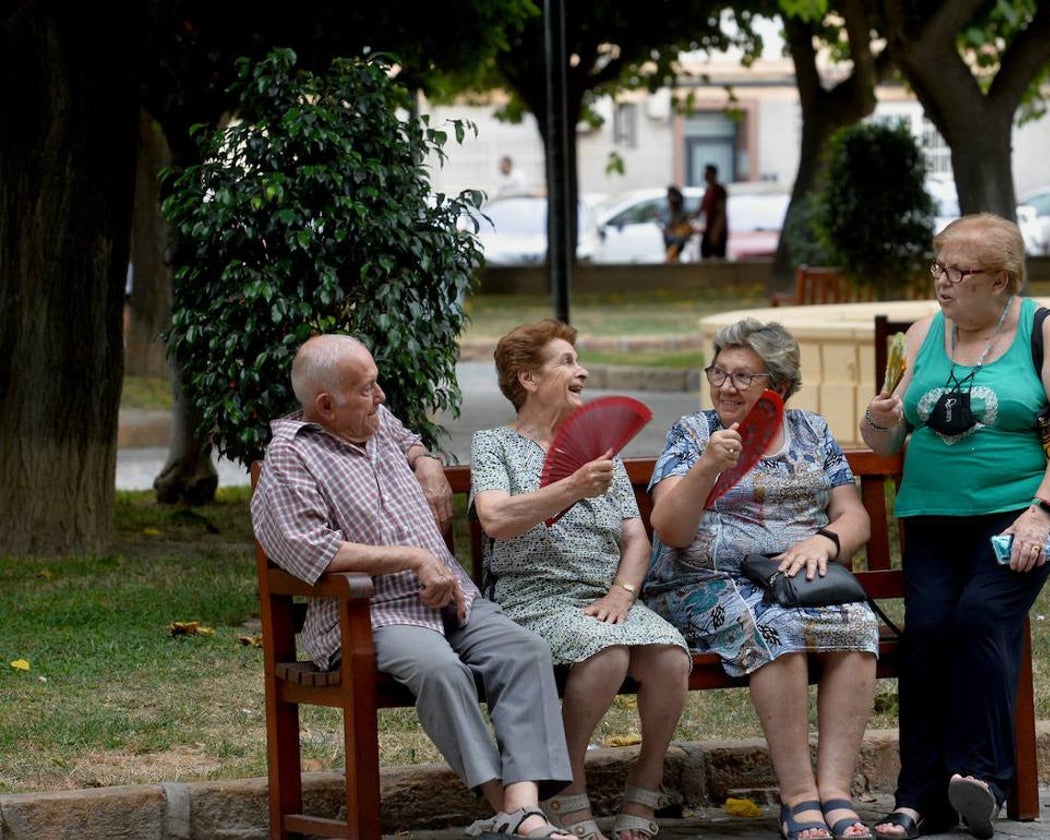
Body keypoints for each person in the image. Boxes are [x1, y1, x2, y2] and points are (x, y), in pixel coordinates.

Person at [251, 334, 574, 840]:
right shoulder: (292, 458)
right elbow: (317, 551)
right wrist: (416, 558)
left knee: (524, 650)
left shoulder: (374, 420)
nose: (380, 396)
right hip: (373, 613)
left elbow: (408, 438)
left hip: (451, 601)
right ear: (325, 405)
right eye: (367, 389)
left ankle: (521, 807)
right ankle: (510, 812)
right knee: (442, 671)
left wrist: (426, 462)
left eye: (377, 383)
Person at [860, 213, 1050, 840]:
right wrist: (879, 418)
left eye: (958, 271)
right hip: (932, 515)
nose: (943, 282)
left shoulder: (1042, 329)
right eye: (938, 267)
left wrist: (1041, 515)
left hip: (1019, 512)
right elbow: (887, 443)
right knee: (930, 632)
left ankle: (981, 779)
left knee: (980, 618)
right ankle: (915, 799)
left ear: (1001, 281)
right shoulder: (919, 336)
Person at [645, 318, 877, 840]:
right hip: (704, 581)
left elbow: (852, 514)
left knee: (857, 626)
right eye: (719, 373)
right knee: (777, 631)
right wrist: (707, 466)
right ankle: (797, 799)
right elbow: (671, 529)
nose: (726, 387)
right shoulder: (693, 433)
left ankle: (835, 793)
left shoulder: (814, 432)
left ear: (780, 387)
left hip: (796, 577)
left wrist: (827, 541)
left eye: (742, 376)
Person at [470, 320, 691, 840]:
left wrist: (622, 592)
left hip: (606, 597)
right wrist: (571, 485)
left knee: (669, 656)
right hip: (533, 596)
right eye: (566, 361)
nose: (582, 371)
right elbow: (497, 519)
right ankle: (565, 787)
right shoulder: (495, 445)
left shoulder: (597, 448)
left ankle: (648, 779)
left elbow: (637, 539)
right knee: (607, 652)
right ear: (527, 377)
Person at [698, 164, 728, 259]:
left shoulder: (719, 190)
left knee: (719, 259)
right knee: (704, 254)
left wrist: (716, 232)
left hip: (717, 232)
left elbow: (721, 213)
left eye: (707, 173)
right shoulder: (707, 191)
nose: (705, 176)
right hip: (708, 229)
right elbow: (701, 209)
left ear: (713, 174)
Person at [661, 185, 694, 262]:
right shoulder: (668, 210)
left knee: (671, 258)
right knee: (672, 258)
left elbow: (678, 226)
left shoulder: (680, 211)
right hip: (670, 239)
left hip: (677, 240)